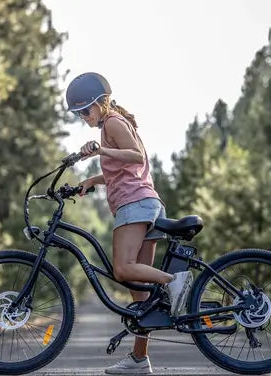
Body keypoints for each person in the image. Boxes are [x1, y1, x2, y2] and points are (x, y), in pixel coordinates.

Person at [66, 72, 193, 375]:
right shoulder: (112, 125)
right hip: (145, 202)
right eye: (78, 114)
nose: (84, 117)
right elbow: (122, 170)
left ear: (101, 102)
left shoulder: (112, 122)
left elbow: (136, 157)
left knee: (122, 269)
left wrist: (100, 151)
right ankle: (139, 359)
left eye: (85, 110)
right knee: (140, 293)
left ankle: (175, 283)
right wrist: (92, 181)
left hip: (134, 204)